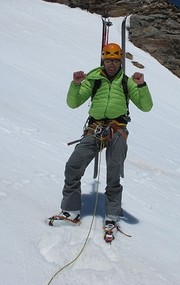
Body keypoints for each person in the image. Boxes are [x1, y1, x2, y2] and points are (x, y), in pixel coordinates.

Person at [50, 43, 153, 235]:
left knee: (114, 172)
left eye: (115, 61)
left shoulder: (127, 81)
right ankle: (71, 210)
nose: (112, 64)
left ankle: (112, 215)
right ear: (103, 60)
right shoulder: (94, 78)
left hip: (117, 129)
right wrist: (76, 84)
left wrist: (141, 86)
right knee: (74, 164)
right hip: (95, 128)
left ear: (120, 61)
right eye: (108, 60)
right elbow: (73, 103)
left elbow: (146, 107)